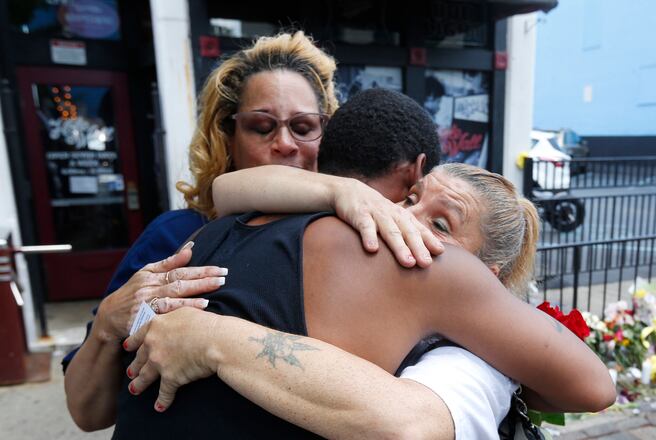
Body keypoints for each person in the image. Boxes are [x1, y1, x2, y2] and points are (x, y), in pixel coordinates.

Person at [63, 32, 443, 432]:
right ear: (227, 137)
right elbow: (88, 412)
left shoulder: (361, 236)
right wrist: (108, 322)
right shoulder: (181, 233)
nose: (284, 143)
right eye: (261, 127)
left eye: (303, 126)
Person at [116, 160, 615, 440]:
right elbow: (225, 189)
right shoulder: (365, 238)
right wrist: (341, 192)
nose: (408, 218)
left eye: (440, 225)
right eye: (412, 196)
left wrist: (213, 339)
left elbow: (593, 387)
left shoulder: (451, 297)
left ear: (486, 277)